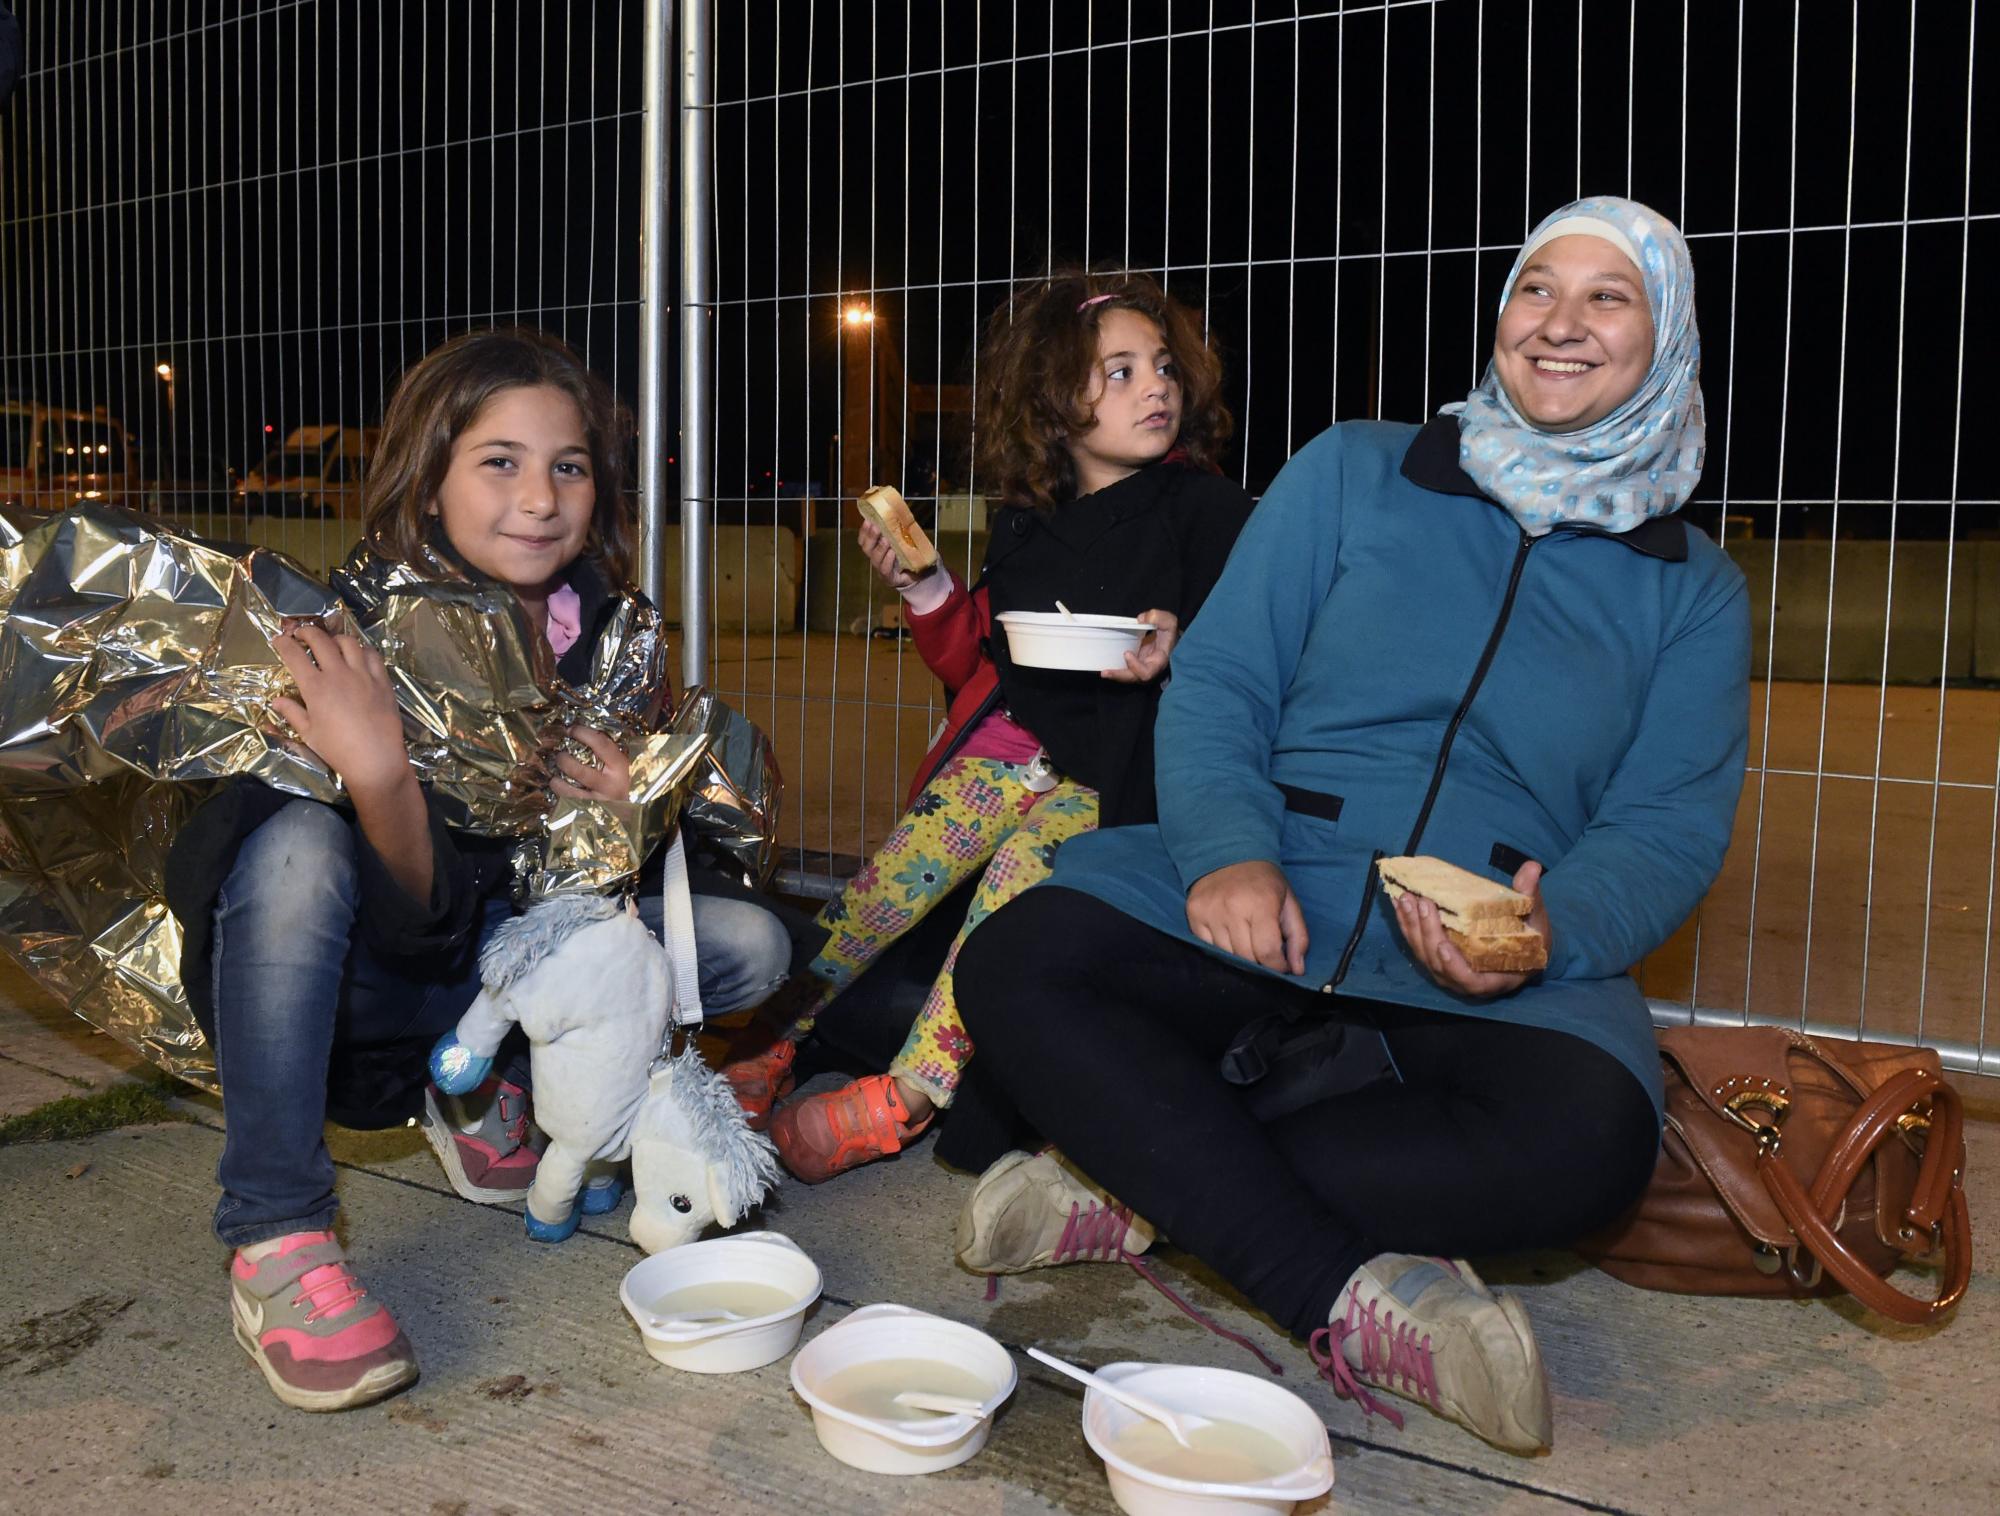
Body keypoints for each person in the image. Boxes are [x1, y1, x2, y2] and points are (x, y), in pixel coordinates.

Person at [951, 198, 1750, 1455]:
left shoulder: (1690, 588)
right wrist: (1226, 850)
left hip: (1494, 937)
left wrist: (1549, 935)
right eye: (1538, 287)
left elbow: (1667, 822)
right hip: (1284, 875)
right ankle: (1343, 1298)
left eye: (1610, 297)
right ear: (1500, 314)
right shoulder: (1354, 469)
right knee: (1018, 957)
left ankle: (1142, 1177)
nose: (1561, 323)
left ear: (1668, 339)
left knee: (1590, 1142)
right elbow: (1222, 681)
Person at [165, 328, 794, 1411]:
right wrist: (376, 774)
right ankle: (275, 1236)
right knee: (293, 845)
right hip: (357, 971)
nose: (539, 496)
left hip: (497, 967)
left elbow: (576, 903)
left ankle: (483, 1091)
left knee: (748, 945)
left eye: (569, 464)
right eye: (498, 460)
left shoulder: (601, 633)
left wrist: (626, 815)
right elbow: (413, 921)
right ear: (429, 477)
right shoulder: (351, 633)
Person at [724, 270, 1254, 1184]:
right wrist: (924, 587)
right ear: (1056, 398)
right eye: (1119, 370)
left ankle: (908, 1096)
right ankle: (771, 1047)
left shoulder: (1204, 510)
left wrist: (1187, 642)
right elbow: (978, 662)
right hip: (1013, 755)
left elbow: (1256, 640)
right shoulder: (1027, 523)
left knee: (1009, 894)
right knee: (878, 892)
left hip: (1118, 782)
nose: (1157, 385)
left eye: (1163, 365)